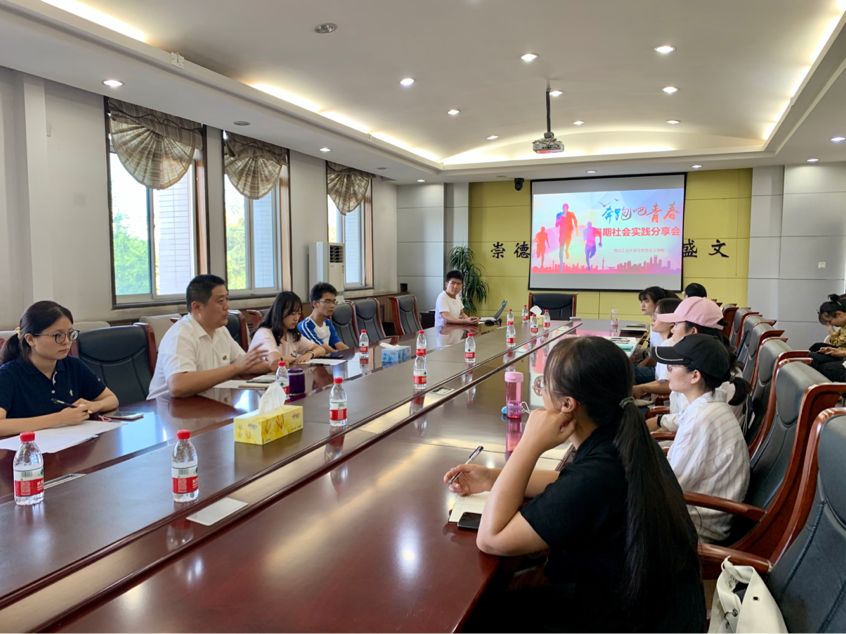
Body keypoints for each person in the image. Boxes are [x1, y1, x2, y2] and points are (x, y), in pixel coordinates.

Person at [444, 337, 705, 634]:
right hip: (656, 610)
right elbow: (567, 484)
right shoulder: (625, 438)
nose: (541, 392)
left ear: (567, 404)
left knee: (486, 617)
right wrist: (493, 478)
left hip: (626, 620)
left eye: (543, 385)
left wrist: (530, 443)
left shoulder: (596, 475)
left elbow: (492, 538)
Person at [653, 334, 751, 543]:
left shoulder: (701, 420)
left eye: (673, 366)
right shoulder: (710, 406)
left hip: (693, 527)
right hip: (694, 512)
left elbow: (671, 486)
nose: (667, 371)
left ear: (695, 376)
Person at [0, 301, 119, 436]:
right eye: (58, 335)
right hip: (28, 447)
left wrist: (94, 406)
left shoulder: (73, 365)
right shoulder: (8, 374)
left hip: (71, 443)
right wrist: (59, 419)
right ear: (30, 340)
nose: (66, 342)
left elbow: (111, 399)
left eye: (70, 334)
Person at [147, 275, 265, 399]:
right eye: (220, 301)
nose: (227, 306)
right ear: (197, 307)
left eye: (227, 299)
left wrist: (274, 364)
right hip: (167, 407)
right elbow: (178, 385)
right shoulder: (180, 335)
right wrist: (234, 368)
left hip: (205, 404)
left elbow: (244, 364)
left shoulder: (221, 331)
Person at [646, 296, 746, 429]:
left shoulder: (710, 377)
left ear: (693, 332)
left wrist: (657, 423)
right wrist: (660, 421)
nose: (672, 330)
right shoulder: (710, 362)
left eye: (676, 324)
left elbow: (692, 425)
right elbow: (685, 416)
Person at [248, 291, 326, 372]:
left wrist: (310, 354)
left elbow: (321, 350)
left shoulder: (291, 334)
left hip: (281, 376)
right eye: (292, 314)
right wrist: (296, 359)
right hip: (259, 377)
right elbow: (276, 360)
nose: (296, 318)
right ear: (280, 313)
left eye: (299, 313)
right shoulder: (264, 333)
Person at [633, 297, 681, 389]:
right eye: (653, 315)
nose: (652, 319)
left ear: (671, 321)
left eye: (657, 316)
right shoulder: (669, 342)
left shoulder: (668, 345)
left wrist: (642, 388)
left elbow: (668, 385)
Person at [298, 282, 350, 353]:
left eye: (333, 301)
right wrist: (340, 355)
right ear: (315, 303)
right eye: (327, 301)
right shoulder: (305, 326)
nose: (332, 305)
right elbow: (322, 348)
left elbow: (339, 344)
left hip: (328, 359)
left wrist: (352, 354)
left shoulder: (327, 323)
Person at [555, 203, 579, 269]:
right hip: (562, 233)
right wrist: (559, 219)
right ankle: (561, 264)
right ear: (562, 208)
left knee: (567, 244)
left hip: (569, 232)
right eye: (564, 208)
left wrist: (577, 229)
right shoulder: (559, 214)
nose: (565, 209)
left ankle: (567, 249)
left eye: (566, 208)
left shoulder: (571, 214)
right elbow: (556, 225)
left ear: (568, 208)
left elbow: (575, 220)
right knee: (561, 249)